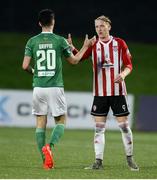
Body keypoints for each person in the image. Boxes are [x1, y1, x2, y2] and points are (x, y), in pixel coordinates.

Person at [22, 9, 93, 170]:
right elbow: (74, 61)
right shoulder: (60, 41)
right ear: (53, 22)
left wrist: (35, 72)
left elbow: (25, 66)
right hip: (54, 87)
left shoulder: (31, 41)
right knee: (61, 121)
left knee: (40, 123)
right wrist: (84, 46)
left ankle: (45, 162)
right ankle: (50, 147)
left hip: (38, 88)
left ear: (39, 23)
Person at [68, 15, 139, 171]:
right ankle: (98, 161)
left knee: (124, 126)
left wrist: (123, 75)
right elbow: (79, 58)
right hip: (100, 93)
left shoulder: (120, 43)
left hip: (118, 92)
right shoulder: (93, 44)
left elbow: (129, 65)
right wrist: (71, 48)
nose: (99, 29)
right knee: (99, 128)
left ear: (109, 26)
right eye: (96, 27)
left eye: (102, 26)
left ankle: (130, 159)